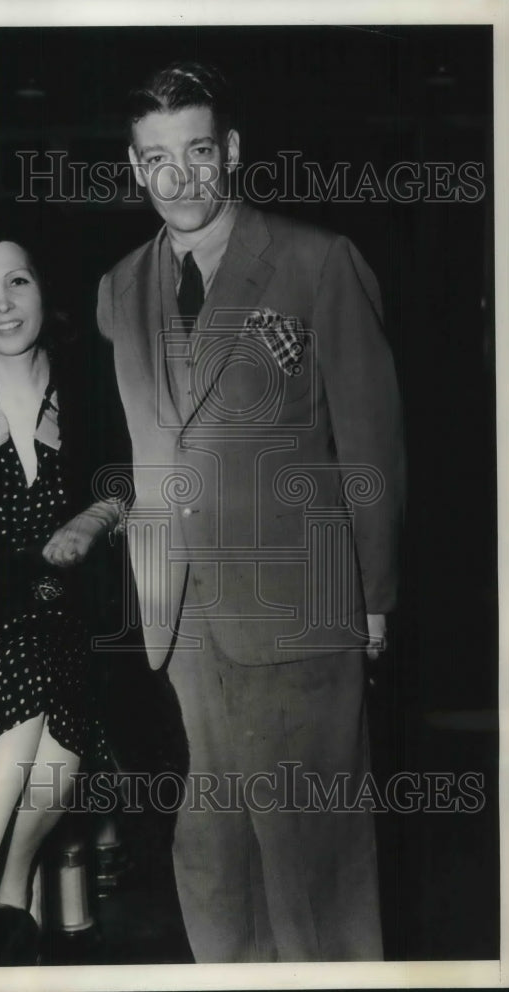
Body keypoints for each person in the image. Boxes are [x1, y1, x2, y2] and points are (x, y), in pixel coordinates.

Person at [97, 62, 405, 961]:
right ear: (132, 164)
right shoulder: (119, 289)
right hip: (182, 621)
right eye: (157, 157)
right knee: (212, 857)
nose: (179, 176)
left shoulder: (317, 263)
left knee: (312, 860)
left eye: (197, 150)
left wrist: (372, 597)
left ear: (229, 150)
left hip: (301, 609)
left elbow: (370, 447)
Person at [0, 231, 126, 909]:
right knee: (29, 664)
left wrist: (89, 521)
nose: (2, 302)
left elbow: (127, 481)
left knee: (17, 866)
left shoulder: (94, 386)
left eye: (18, 281)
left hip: (72, 632)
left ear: (45, 288)